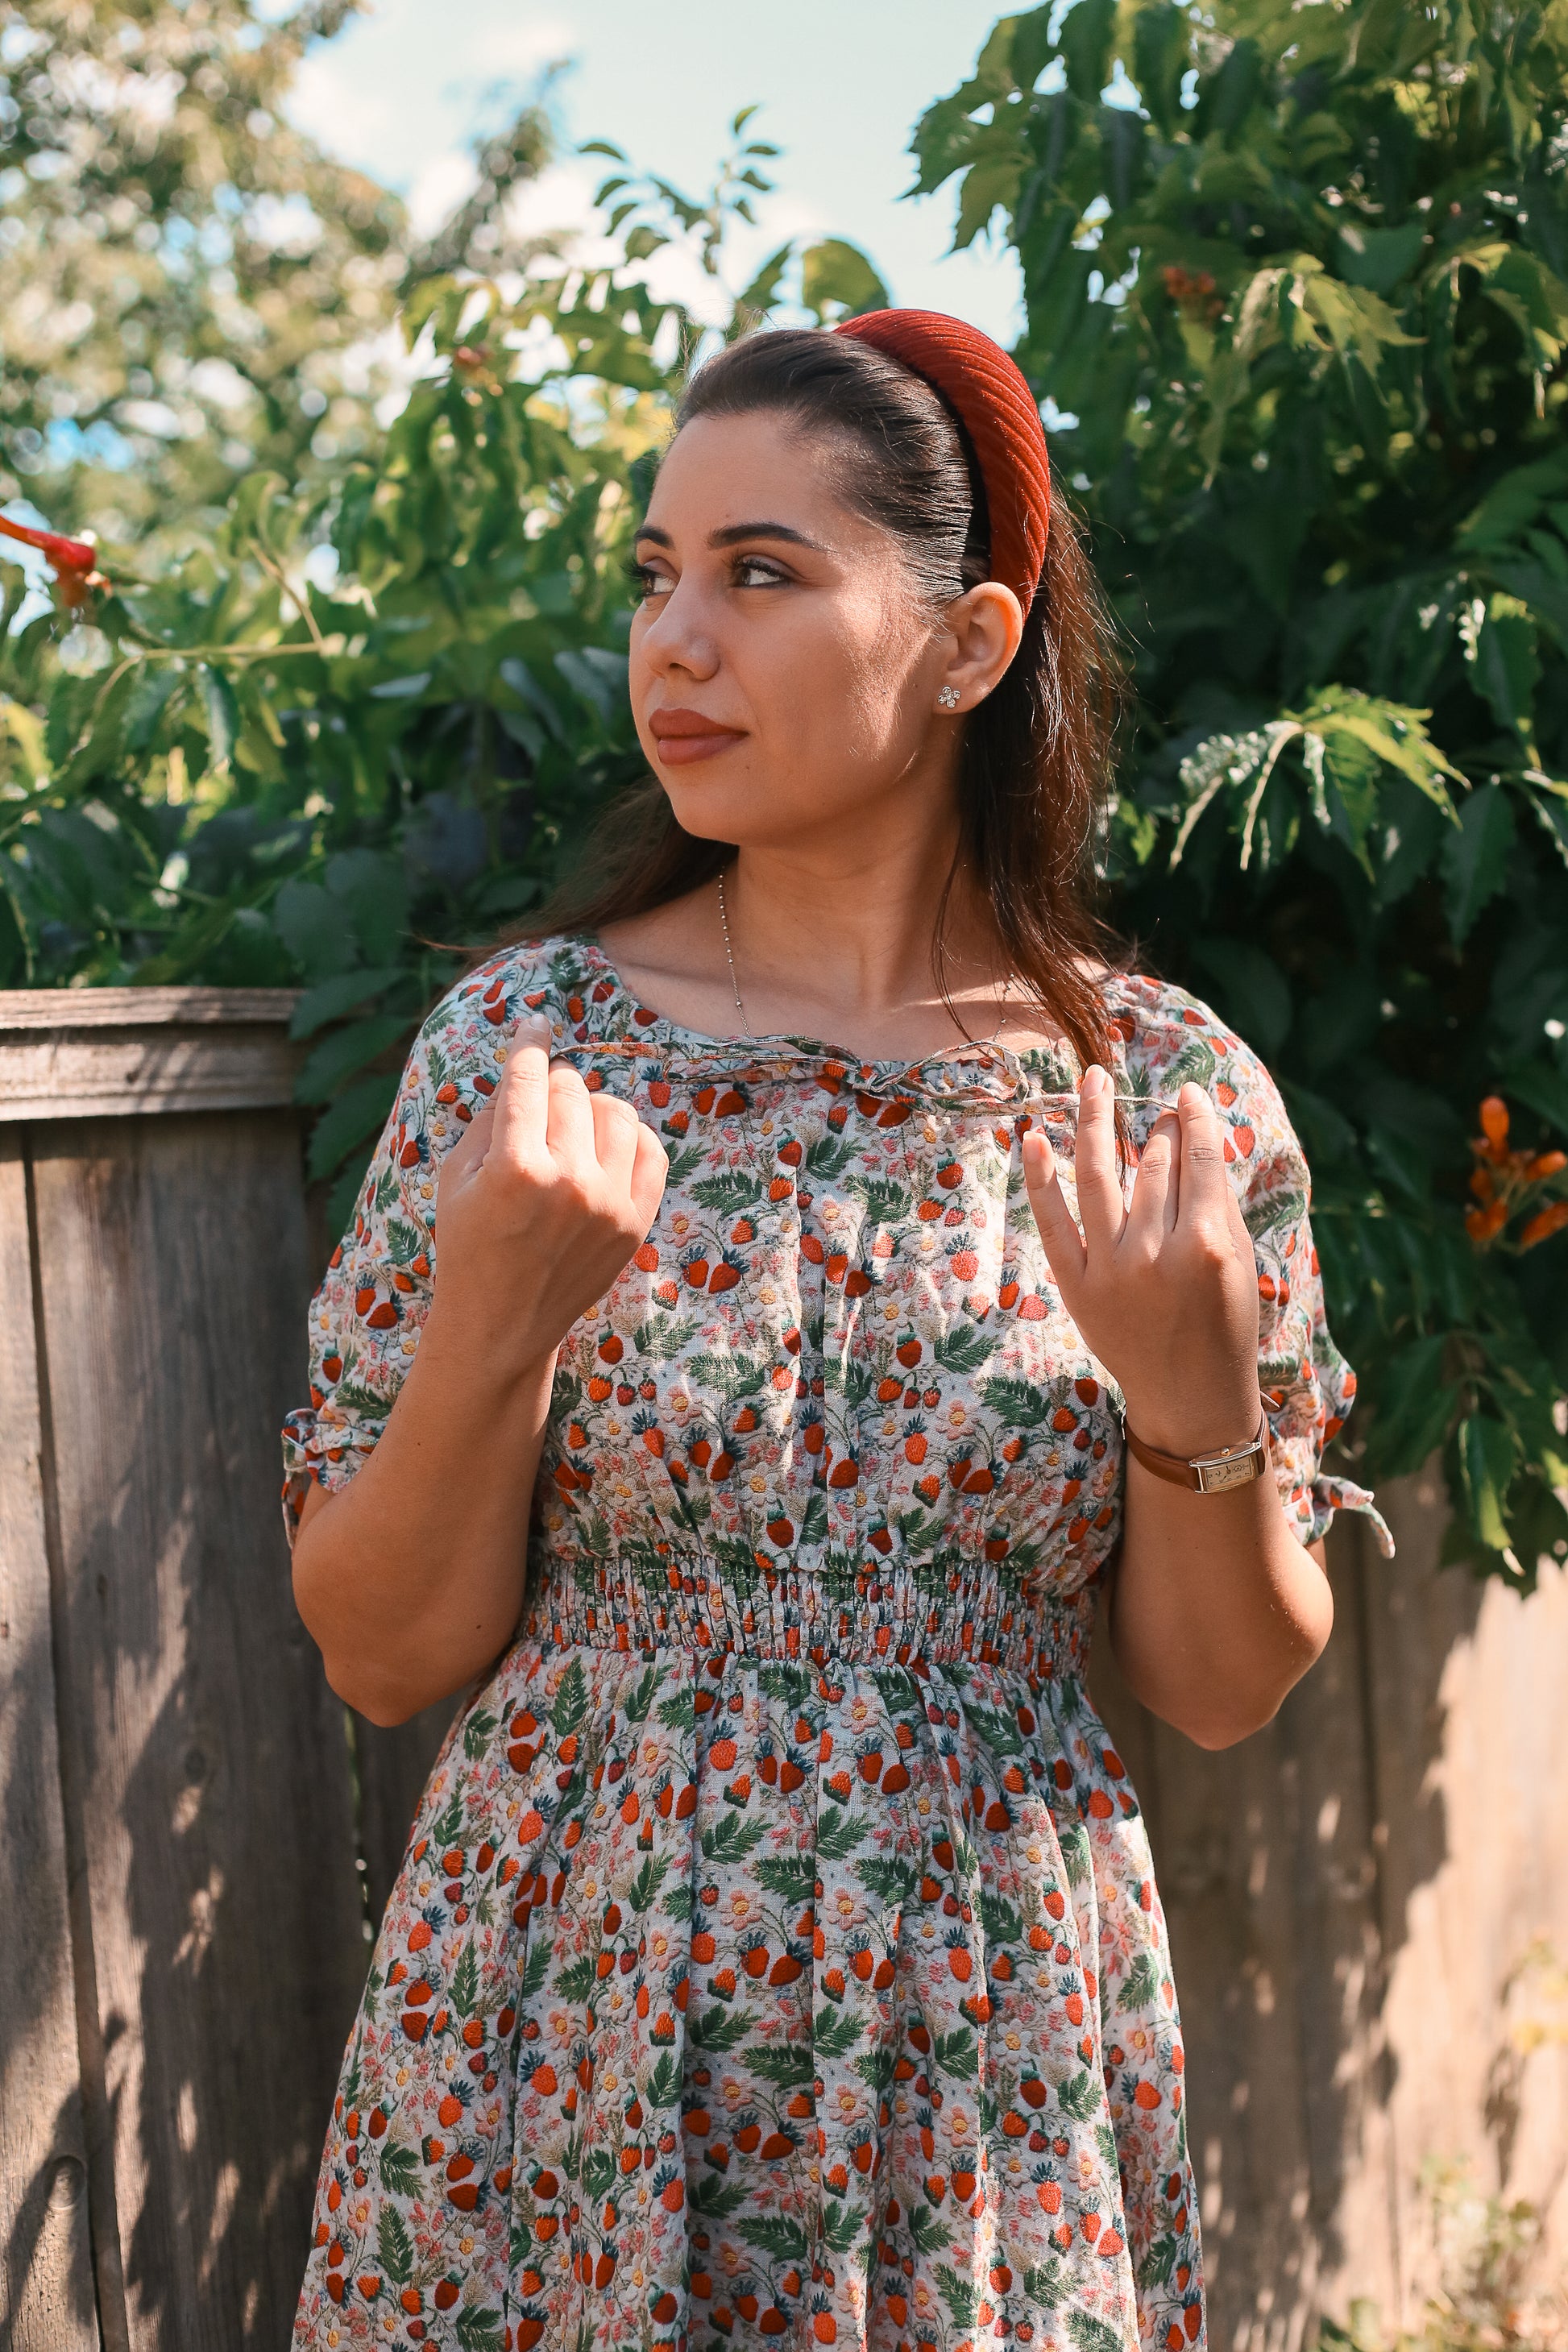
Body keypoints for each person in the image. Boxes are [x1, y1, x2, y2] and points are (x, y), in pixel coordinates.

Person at [283, 310, 1385, 2352]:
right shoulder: (522, 1052)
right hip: (561, 2028)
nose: (671, 639)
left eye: (759, 571)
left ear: (968, 646)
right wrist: (491, 1332)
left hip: (990, 2046)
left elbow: (1222, 1687)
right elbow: (376, 1643)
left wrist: (1188, 1399)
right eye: (655, 572)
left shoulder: (1161, 1095)